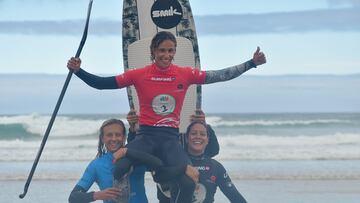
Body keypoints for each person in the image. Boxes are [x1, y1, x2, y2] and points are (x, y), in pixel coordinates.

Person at [67, 31, 266, 203]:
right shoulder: (138, 74)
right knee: (119, 167)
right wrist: (78, 71)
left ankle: (151, 167)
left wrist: (251, 63)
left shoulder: (185, 74)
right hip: (146, 136)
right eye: (162, 50)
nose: (166, 55)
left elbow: (220, 75)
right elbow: (102, 83)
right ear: (153, 51)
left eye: (171, 51)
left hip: (170, 139)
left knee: (189, 182)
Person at [68, 118, 159, 203]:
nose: (114, 139)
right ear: (103, 139)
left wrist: (134, 129)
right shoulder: (96, 165)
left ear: (123, 137)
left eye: (118, 135)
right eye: (109, 135)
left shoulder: (136, 157)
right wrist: (97, 195)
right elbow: (73, 197)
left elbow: (158, 164)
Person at [158, 120, 248, 203]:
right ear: (186, 138)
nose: (198, 137)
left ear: (208, 140)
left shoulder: (216, 167)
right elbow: (163, 195)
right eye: (193, 133)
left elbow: (235, 197)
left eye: (202, 134)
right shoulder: (174, 163)